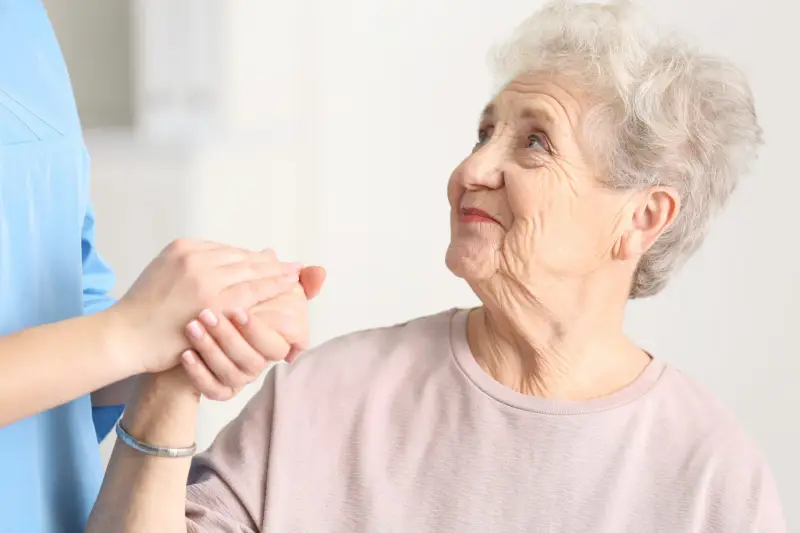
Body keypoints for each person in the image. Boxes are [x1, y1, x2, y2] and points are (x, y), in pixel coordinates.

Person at [86, 1, 787, 531]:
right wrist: (176, 381)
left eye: (534, 142)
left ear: (641, 217)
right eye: (484, 132)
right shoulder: (328, 394)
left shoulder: (710, 477)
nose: (471, 169)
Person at [0, 2, 324, 532]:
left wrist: (204, 328)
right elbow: (111, 335)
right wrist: (128, 334)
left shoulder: (21, 22)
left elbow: (73, 335)